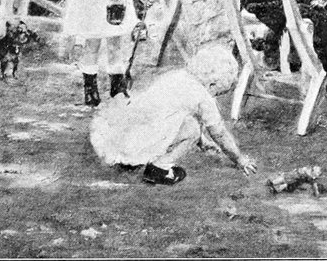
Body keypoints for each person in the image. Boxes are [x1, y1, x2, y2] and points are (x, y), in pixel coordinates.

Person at [90, 44, 257, 186]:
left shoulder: (177, 76)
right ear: (213, 83)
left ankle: (130, 161)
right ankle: (160, 168)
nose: (214, 96)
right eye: (217, 92)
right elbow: (219, 133)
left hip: (126, 136)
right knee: (193, 130)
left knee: (185, 121)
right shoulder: (202, 96)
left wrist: (203, 142)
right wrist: (239, 159)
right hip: (143, 140)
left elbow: (172, 114)